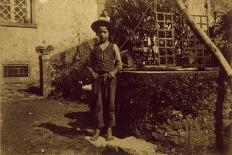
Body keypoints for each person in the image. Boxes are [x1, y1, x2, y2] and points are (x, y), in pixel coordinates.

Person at [87, 18, 122, 141]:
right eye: (99, 32)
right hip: (97, 80)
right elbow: (89, 65)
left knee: (110, 103)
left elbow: (119, 64)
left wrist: (113, 72)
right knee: (98, 104)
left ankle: (109, 129)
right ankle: (98, 129)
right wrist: (92, 73)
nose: (102, 34)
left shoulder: (114, 47)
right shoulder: (94, 49)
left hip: (110, 79)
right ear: (97, 33)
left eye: (104, 32)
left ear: (109, 33)